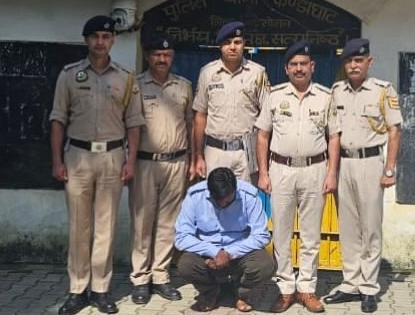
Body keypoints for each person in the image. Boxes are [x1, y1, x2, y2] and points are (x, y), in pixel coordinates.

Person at [49, 15, 144, 315]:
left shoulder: (126, 78)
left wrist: (130, 161)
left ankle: (100, 289)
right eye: (95, 37)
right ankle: (78, 289)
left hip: (112, 157)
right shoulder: (69, 75)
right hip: (77, 156)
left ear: (113, 40)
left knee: (106, 226)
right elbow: (57, 119)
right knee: (79, 227)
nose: (100, 42)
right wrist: (57, 160)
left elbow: (134, 123)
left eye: (105, 36)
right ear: (86, 40)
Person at [255, 40, 340, 313]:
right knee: (281, 234)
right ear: (286, 68)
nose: (299, 68)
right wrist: (263, 173)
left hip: (315, 169)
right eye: (294, 64)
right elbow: (262, 136)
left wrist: (332, 173)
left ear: (312, 66)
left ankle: (307, 288)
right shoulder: (274, 96)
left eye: (304, 64)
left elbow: (334, 137)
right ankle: (285, 289)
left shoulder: (325, 97)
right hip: (281, 169)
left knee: (311, 235)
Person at [323, 38, 403, 313]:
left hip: (370, 163)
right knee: (348, 227)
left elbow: (395, 130)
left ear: (369, 62)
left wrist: (389, 169)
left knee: (370, 227)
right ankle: (350, 283)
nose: (353, 65)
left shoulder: (382, 90)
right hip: (344, 163)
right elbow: (332, 132)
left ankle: (369, 287)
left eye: (358, 60)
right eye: (348, 61)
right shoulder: (337, 91)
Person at [129, 36, 192, 304]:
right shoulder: (135, 85)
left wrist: (193, 158)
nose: (162, 59)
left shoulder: (184, 86)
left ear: (172, 56)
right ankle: (140, 279)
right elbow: (129, 126)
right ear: (147, 57)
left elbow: (190, 124)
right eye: (157, 54)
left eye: (166, 54)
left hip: (176, 162)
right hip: (144, 163)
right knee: (142, 222)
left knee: (169, 223)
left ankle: (160, 276)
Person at [175, 167, 275, 313]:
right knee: (186, 265)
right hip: (207, 255)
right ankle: (210, 292)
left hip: (240, 253)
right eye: (217, 201)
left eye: (228, 201)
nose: (222, 205)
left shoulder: (249, 196)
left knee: (265, 265)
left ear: (235, 189)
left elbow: (262, 235)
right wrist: (213, 252)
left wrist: (229, 253)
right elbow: (181, 237)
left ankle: (240, 292)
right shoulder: (195, 196)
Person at [191, 21, 269, 182]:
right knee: (215, 195)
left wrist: (264, 162)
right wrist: (198, 155)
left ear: (244, 44)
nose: (232, 47)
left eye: (237, 42)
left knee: (246, 196)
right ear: (220, 46)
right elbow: (200, 116)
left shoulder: (258, 73)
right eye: (227, 43)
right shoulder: (207, 73)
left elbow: (267, 117)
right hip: (215, 151)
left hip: (247, 152)